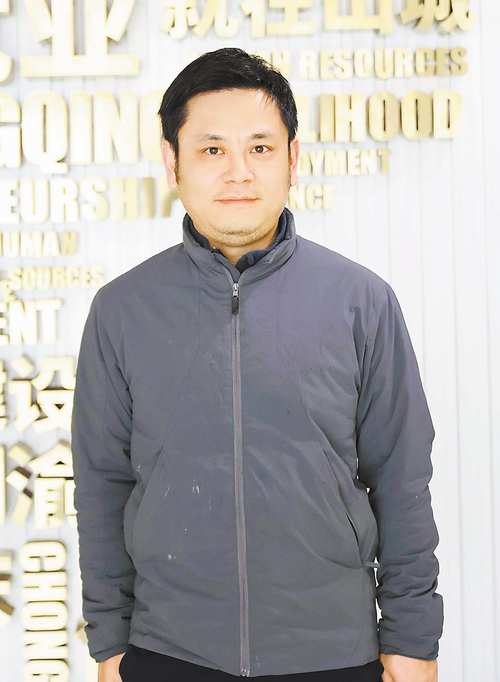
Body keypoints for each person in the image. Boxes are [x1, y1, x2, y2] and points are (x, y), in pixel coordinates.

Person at [71, 47, 443, 682]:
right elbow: (102, 486)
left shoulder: (361, 301)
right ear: (173, 162)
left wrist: (413, 642)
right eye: (212, 149)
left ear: (292, 159)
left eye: (261, 148)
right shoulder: (121, 310)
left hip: (334, 654)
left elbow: (402, 479)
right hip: (169, 654)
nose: (238, 172)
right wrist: (110, 644)